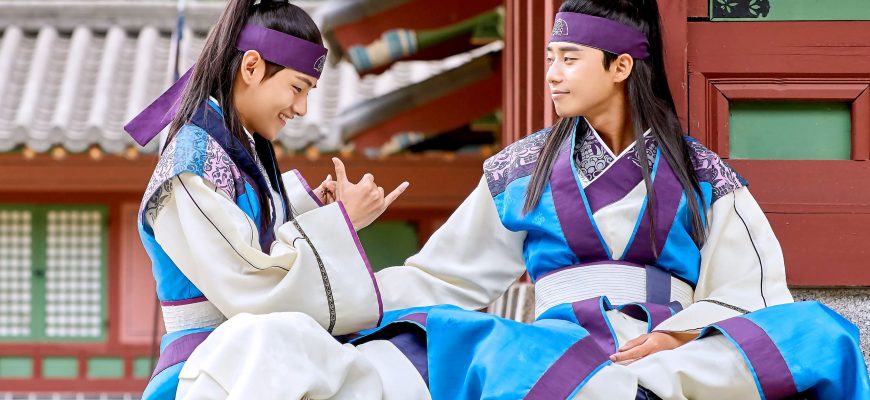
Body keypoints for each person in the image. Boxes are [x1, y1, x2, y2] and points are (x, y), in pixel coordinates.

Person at [176, 0, 870, 399]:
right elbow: (442, 277)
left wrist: (681, 332)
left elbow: (750, 289)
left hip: (668, 344)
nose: (553, 75)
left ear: (620, 66)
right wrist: (339, 301)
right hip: (552, 342)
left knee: (821, 333)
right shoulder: (522, 170)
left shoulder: (701, 173)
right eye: (548, 59)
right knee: (443, 346)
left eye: (569, 59)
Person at [127, 0, 407, 398]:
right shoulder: (190, 165)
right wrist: (338, 224)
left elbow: (254, 239)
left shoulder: (244, 150)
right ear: (252, 67)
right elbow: (250, 286)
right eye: (297, 88)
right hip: (213, 369)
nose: (302, 108)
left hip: (253, 360)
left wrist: (320, 210)